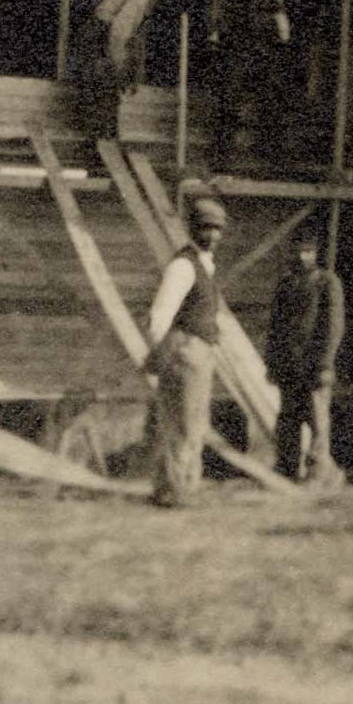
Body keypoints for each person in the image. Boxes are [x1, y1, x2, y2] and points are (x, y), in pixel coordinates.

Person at [139, 192, 236, 506]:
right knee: (183, 424)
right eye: (206, 227)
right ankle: (175, 491)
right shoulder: (183, 265)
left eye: (218, 229)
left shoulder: (205, 265)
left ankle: (179, 487)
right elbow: (159, 315)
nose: (213, 235)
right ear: (193, 228)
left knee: (193, 423)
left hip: (199, 351)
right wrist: (166, 350)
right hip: (185, 351)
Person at [265, 229, 348, 485]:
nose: (303, 257)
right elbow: (275, 328)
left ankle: (319, 472)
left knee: (317, 421)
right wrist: (272, 363)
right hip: (289, 366)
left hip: (314, 365)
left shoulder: (327, 282)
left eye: (309, 252)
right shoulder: (285, 284)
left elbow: (333, 327)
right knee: (288, 419)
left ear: (316, 254)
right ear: (292, 253)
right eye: (299, 251)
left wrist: (325, 364)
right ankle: (286, 468)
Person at [207, 0, 294, 162]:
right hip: (239, 36)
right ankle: (224, 151)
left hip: (258, 39)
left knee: (264, 93)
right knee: (232, 94)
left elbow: (277, 4)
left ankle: (267, 150)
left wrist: (283, 32)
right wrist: (215, 31)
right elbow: (220, 2)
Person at [67, 0, 158, 150]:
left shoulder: (142, 7)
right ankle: (100, 139)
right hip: (99, 41)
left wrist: (134, 78)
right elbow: (118, 34)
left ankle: (105, 137)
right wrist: (118, 68)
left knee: (107, 90)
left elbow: (137, 47)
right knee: (102, 86)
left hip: (103, 44)